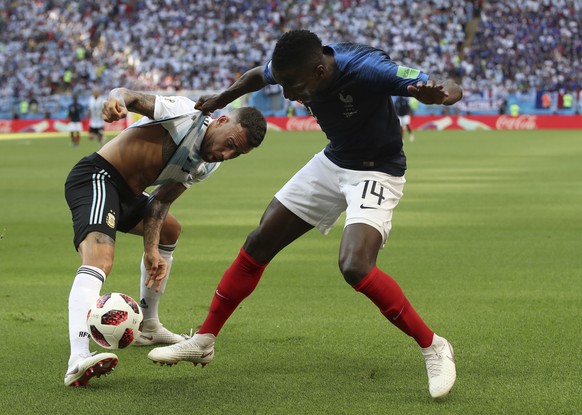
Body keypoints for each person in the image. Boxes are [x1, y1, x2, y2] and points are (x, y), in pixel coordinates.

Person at [148, 30, 463, 399]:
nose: (287, 95)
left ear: (319, 70)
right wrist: (223, 97)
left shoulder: (368, 68)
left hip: (378, 170)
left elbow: (448, 85)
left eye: (294, 86)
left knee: (355, 266)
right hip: (333, 161)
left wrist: (440, 94)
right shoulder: (293, 67)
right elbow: (256, 74)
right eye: (282, 85)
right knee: (260, 240)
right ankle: (204, 339)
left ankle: (434, 346)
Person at [63, 87, 267, 387]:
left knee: (170, 229)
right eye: (231, 144)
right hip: (98, 177)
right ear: (222, 121)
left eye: (237, 154)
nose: (227, 154)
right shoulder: (186, 114)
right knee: (100, 258)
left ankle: (148, 325)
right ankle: (77, 358)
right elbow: (130, 97)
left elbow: (160, 201)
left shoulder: (208, 164)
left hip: (130, 196)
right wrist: (115, 102)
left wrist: (151, 250)